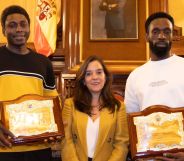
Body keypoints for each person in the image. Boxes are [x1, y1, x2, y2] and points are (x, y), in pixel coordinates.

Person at [0, 5, 58, 161]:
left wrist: (53, 130)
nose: (19, 29)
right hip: (5, 147)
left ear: (29, 28)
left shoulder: (44, 63)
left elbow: (51, 103)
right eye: (12, 25)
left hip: (38, 147)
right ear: (4, 30)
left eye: (23, 24)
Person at [124, 12, 184, 160]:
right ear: (147, 37)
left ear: (173, 36)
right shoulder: (135, 76)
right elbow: (130, 120)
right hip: (147, 156)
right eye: (156, 31)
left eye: (167, 31)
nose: (161, 36)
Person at [61, 55, 129, 161]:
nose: (95, 77)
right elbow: (66, 140)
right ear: (83, 80)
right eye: (88, 74)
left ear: (105, 77)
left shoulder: (119, 107)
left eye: (99, 72)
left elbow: (121, 144)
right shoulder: (70, 104)